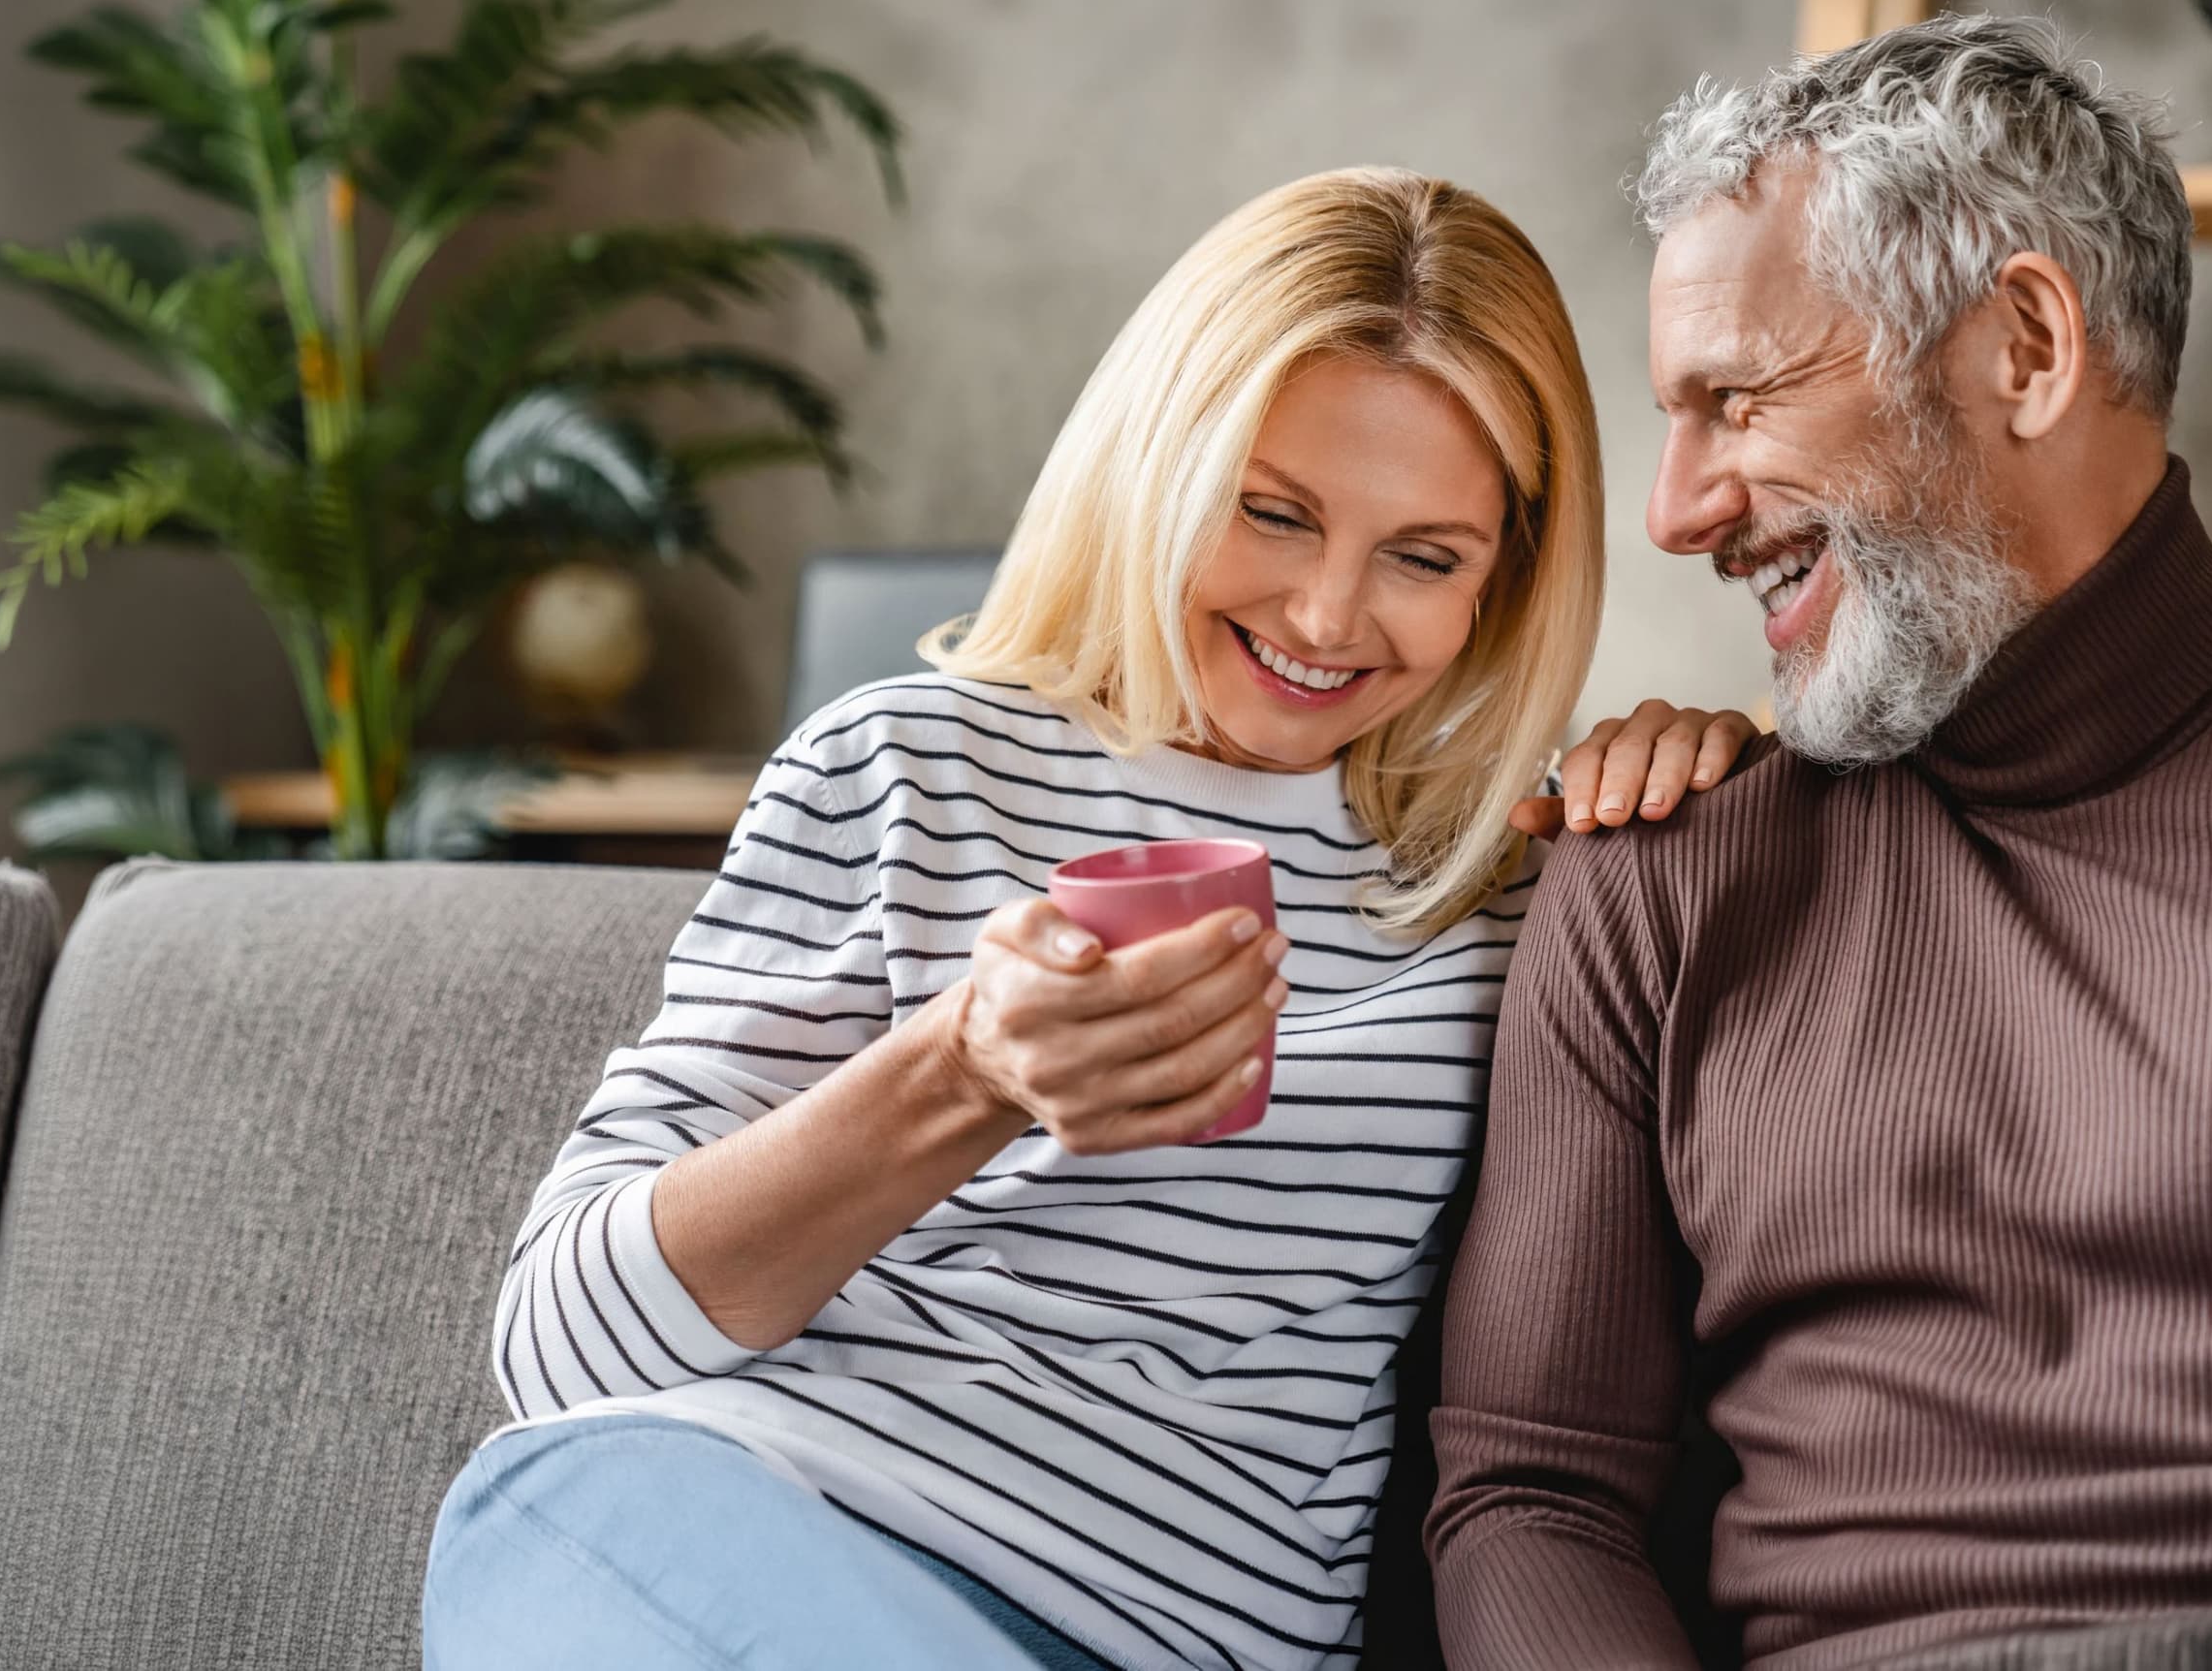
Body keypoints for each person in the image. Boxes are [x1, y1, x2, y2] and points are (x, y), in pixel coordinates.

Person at [424, 167, 1755, 1670]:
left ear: (1506, 579)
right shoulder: (903, 769)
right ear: (1159, 463)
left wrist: (1717, 791)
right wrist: (963, 1073)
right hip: (734, 1526)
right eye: (1272, 513)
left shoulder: (1518, 881)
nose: (1325, 615)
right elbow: (560, 1347)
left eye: (1423, 557)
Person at [1427, 15, 2212, 1670]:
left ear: (2025, 347)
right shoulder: (1656, 880)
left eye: (1739, 399)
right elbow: (1530, 1497)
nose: (1678, 508)